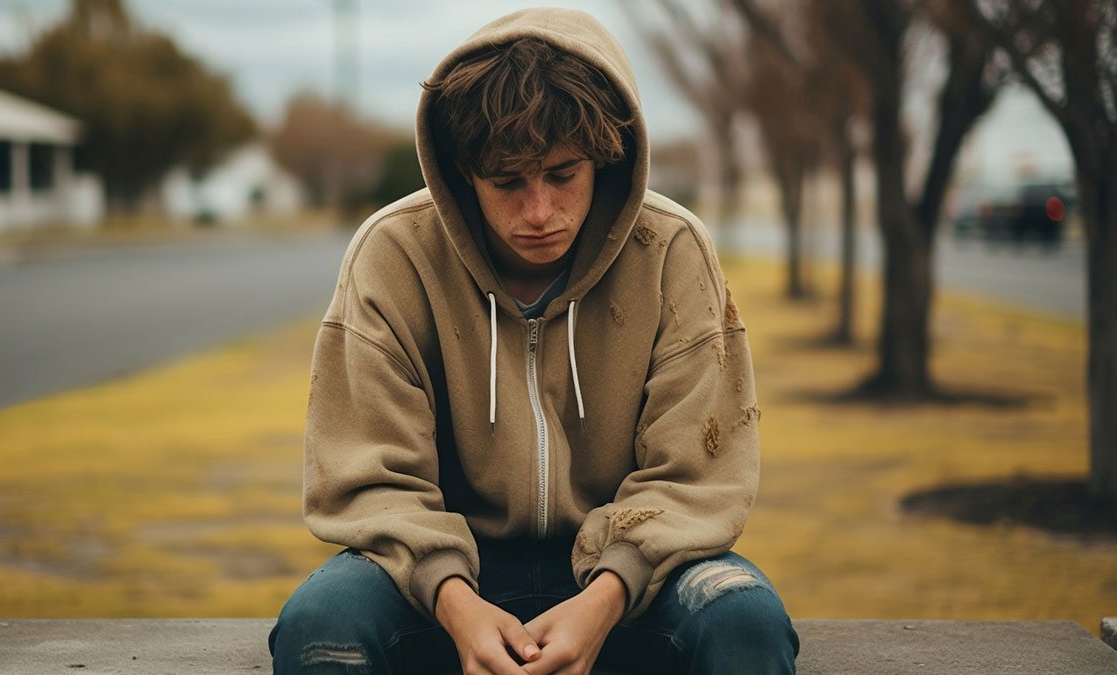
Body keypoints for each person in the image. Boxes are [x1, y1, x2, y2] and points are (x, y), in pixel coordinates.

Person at [270, 8, 799, 674]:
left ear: (605, 155)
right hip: (442, 574)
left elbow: (696, 474)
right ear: (463, 169)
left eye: (562, 174)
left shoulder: (671, 251)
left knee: (745, 619)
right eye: (507, 181)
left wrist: (604, 598)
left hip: (631, 569)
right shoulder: (394, 255)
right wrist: (457, 604)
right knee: (320, 624)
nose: (540, 212)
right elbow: (372, 476)